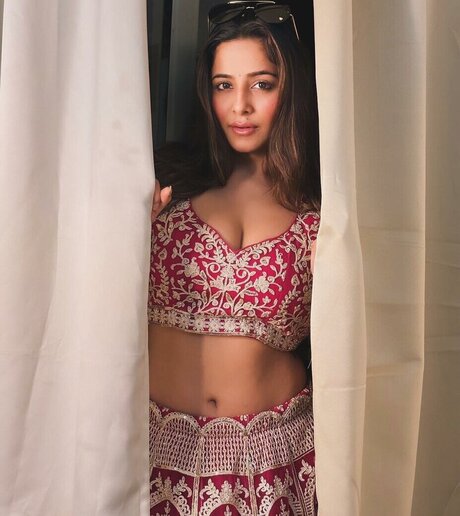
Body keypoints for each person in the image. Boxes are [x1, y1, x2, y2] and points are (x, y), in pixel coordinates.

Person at [148, 2, 321, 514]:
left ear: (291, 90)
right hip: (153, 449)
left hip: (278, 460)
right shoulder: (163, 182)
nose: (240, 106)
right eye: (224, 85)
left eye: (261, 84)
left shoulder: (323, 211)